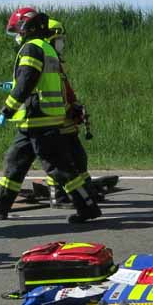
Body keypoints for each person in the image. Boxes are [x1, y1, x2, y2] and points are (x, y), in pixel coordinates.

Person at [0, 7, 101, 223]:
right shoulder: (46, 48)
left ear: (26, 28)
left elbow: (27, 81)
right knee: (15, 162)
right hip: (35, 120)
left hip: (39, 118)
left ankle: (87, 207)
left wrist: (8, 108)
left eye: (17, 31)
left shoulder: (31, 48)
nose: (17, 36)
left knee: (58, 168)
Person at [44, 19, 100, 207]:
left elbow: (64, 90)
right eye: (58, 39)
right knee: (58, 161)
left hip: (65, 119)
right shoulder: (46, 63)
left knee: (78, 158)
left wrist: (75, 106)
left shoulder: (55, 63)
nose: (62, 43)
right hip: (53, 121)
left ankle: (88, 193)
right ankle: (58, 196)